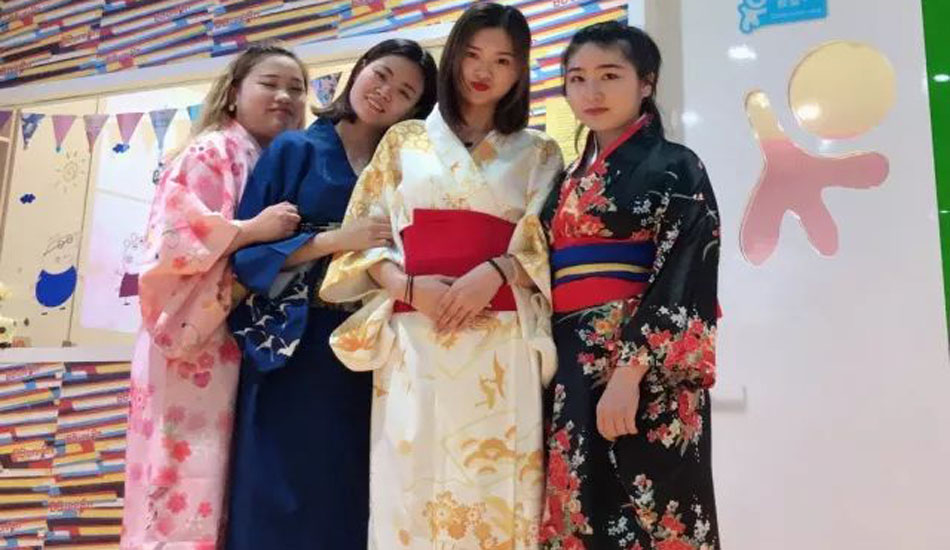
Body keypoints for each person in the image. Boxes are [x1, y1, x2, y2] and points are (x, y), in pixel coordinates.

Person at [319, 4, 564, 549]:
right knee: (409, 479)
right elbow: (368, 234)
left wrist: (497, 272)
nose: (484, 70)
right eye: (473, 55)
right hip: (416, 331)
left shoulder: (540, 152)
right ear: (453, 57)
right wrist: (408, 287)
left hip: (500, 334)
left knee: (496, 486)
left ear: (521, 70)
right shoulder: (404, 140)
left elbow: (547, 242)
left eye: (503, 60)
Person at [224, 39, 438, 550]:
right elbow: (247, 255)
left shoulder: (407, 170)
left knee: (349, 492)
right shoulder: (295, 149)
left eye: (404, 91)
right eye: (381, 75)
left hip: (367, 347)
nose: (385, 92)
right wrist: (336, 240)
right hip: (292, 346)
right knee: (274, 489)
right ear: (359, 70)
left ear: (415, 110)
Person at [538, 21, 721, 550]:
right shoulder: (566, 179)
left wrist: (631, 371)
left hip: (641, 364)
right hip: (571, 359)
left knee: (656, 506)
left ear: (646, 82)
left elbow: (685, 273)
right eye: (577, 78)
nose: (591, 91)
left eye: (609, 75)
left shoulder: (677, 166)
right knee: (580, 506)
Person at [121, 42, 308, 549]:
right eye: (270, 83)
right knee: (180, 474)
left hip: (224, 334)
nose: (285, 96)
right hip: (189, 336)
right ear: (233, 93)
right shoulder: (212, 150)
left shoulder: (267, 157)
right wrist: (251, 230)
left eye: (296, 89)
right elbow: (174, 240)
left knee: (215, 477)